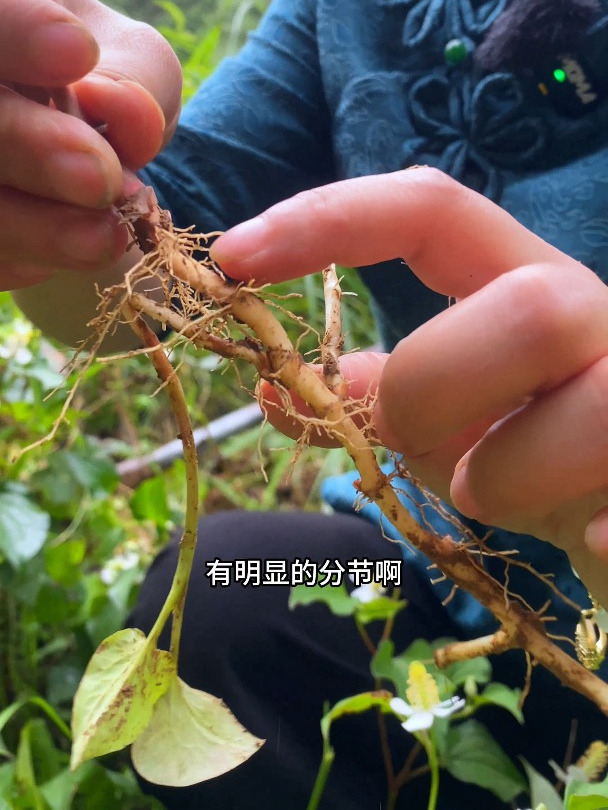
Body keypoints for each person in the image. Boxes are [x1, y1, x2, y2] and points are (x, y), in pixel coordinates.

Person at [4, 0, 608, 806]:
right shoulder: (349, 12)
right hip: (414, 566)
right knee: (226, 588)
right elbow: (120, 276)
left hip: (589, 598)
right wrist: (60, 147)